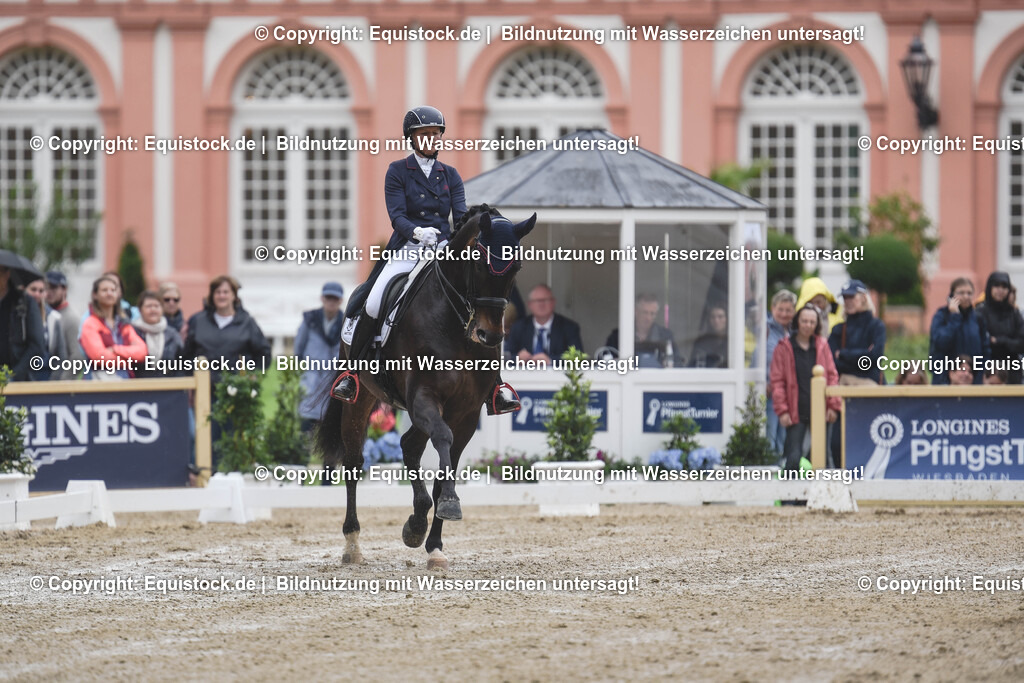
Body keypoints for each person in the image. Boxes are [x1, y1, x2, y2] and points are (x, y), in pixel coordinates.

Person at [331, 106, 519, 415]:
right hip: (408, 247)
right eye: (425, 134)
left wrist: (457, 238)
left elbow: (460, 216)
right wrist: (418, 232)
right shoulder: (397, 171)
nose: (431, 139)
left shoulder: (451, 175)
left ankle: (496, 385)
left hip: (444, 249)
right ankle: (351, 374)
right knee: (375, 299)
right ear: (412, 138)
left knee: (477, 303)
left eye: (435, 133)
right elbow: (396, 216)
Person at [770, 304, 841, 470]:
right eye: (804, 321)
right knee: (793, 456)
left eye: (812, 322)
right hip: (796, 410)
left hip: (821, 409)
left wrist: (833, 405)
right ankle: (790, 495)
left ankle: (824, 494)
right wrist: (782, 410)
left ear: (817, 324)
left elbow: (832, 376)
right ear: (797, 322)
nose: (808, 325)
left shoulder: (822, 345)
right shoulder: (784, 347)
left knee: (823, 456)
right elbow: (777, 381)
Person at [184, 275, 271, 381]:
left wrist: (254, 375)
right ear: (212, 296)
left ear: (234, 296)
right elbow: (187, 355)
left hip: (236, 388)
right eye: (218, 292)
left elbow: (263, 352)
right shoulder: (198, 321)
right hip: (204, 387)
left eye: (226, 292)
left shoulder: (246, 322)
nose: (221, 296)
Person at [295, 282, 345, 433]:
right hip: (311, 379)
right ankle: (302, 455)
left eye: (335, 298)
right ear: (322, 298)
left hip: (333, 380)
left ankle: (327, 457)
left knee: (330, 426)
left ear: (341, 300)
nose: (331, 301)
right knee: (306, 425)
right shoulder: (310, 320)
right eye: (328, 297)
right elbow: (299, 348)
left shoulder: (345, 322)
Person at [79, 275, 148, 379]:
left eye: (113, 290)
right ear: (95, 295)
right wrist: (128, 359)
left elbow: (142, 352)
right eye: (104, 290)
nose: (109, 293)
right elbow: (99, 356)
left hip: (124, 381)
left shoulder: (123, 324)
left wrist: (115, 349)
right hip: (97, 383)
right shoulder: (90, 323)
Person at [929, 278, 989, 385]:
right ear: (952, 295)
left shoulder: (978, 318)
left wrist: (980, 374)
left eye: (969, 293)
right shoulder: (941, 316)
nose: (966, 296)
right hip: (944, 378)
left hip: (972, 378)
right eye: (961, 293)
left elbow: (985, 349)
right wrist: (955, 317)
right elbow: (940, 342)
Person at [505, 283, 583, 363]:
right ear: (530, 305)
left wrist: (551, 361)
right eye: (537, 301)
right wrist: (518, 358)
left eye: (545, 300)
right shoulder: (518, 327)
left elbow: (577, 357)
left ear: (553, 302)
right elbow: (506, 357)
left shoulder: (569, 328)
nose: (541, 304)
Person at [828, 279, 886, 385]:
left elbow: (875, 358)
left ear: (864, 298)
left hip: (870, 384)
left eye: (851, 297)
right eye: (845, 298)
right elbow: (831, 361)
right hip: (844, 383)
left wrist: (842, 354)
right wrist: (864, 355)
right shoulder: (838, 329)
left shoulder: (876, 326)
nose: (847, 301)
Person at [604, 293, 679, 367]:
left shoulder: (665, 336)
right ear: (636, 311)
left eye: (652, 314)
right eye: (645, 313)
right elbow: (604, 363)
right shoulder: (618, 336)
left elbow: (678, 364)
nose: (648, 318)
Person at [975, 271, 1024, 384]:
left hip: (1012, 370)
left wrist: (999, 341)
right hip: (988, 371)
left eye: (1004, 287)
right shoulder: (980, 313)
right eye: (996, 286)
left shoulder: (1014, 314)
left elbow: (1021, 343)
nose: (1000, 290)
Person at [0, 265, 45, 381]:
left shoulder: (24, 302)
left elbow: (37, 345)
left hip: (18, 380)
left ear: (7, 274)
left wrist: (14, 375)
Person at [765, 289, 797, 456]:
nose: (784, 314)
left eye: (788, 310)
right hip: (770, 393)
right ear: (772, 308)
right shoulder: (764, 330)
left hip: (788, 394)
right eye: (780, 309)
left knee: (783, 439)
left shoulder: (794, 334)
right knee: (769, 436)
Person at [132, 290, 185, 378]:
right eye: (149, 306)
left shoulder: (173, 334)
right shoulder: (132, 332)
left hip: (169, 387)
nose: (153, 309)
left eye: (156, 306)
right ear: (140, 310)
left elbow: (182, 364)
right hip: (138, 387)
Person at [24, 275, 67, 380]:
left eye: (41, 290)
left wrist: (53, 381)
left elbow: (61, 355)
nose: (37, 294)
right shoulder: (17, 315)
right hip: (22, 374)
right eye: (33, 289)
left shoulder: (53, 318)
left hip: (47, 374)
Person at [44, 270, 84, 380]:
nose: (49, 292)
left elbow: (77, 357)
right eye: (46, 288)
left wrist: (61, 383)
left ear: (64, 289)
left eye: (53, 287)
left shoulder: (71, 318)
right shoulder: (45, 314)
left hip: (60, 386)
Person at [688, 303, 728, 368]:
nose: (716, 321)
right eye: (713, 317)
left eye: (720, 317)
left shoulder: (732, 342)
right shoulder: (702, 342)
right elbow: (693, 365)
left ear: (727, 319)